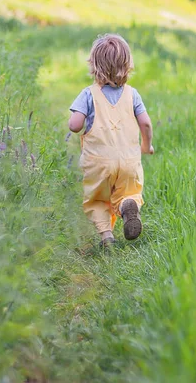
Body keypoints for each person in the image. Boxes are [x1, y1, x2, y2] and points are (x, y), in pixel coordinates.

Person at [68, 33, 154, 248]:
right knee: (128, 192)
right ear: (127, 64)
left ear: (94, 64)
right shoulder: (132, 94)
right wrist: (146, 145)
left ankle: (106, 236)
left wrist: (81, 120)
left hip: (98, 162)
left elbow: (75, 125)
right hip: (128, 161)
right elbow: (145, 124)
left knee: (97, 199)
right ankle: (127, 205)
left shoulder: (88, 94)